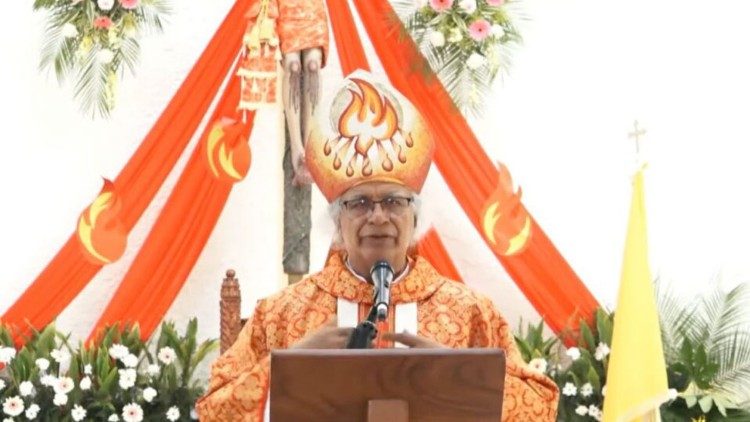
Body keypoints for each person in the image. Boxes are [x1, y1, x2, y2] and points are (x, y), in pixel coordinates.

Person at [196, 72, 559, 421]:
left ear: (415, 217)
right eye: (359, 204)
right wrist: (290, 365)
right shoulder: (281, 314)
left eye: (394, 201)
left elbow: (541, 407)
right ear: (337, 222)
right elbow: (214, 409)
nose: (379, 217)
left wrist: (457, 370)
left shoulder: (471, 313)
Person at [237, 0, 328, 186]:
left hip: (313, 9)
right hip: (287, 9)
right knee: (293, 66)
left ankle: (309, 143)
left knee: (313, 65)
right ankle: (297, 147)